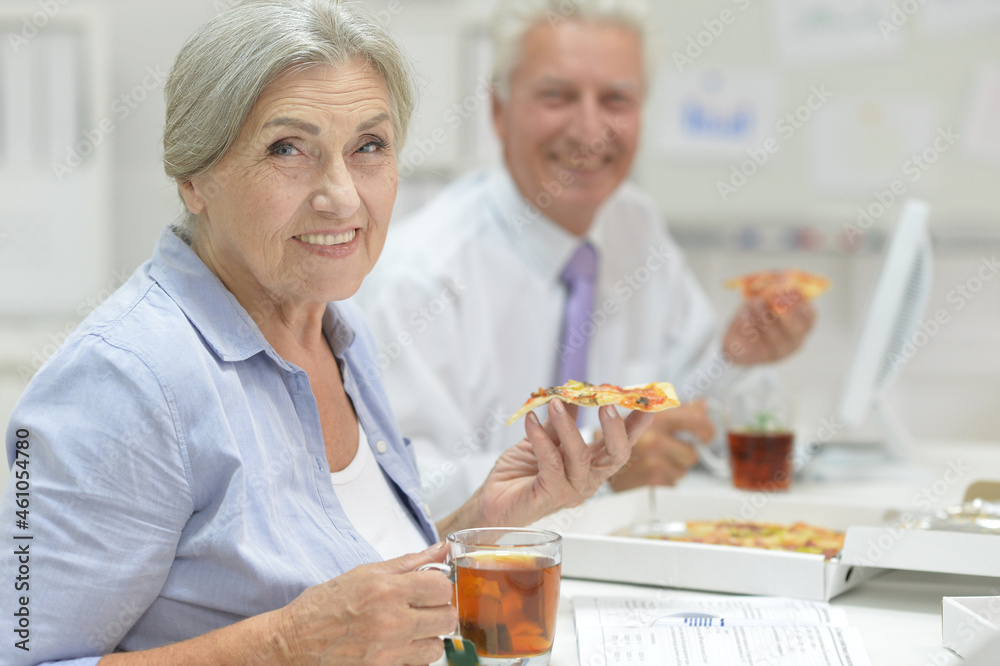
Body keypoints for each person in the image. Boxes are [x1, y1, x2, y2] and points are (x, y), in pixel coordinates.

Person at [0, 2, 652, 664]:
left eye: (368, 146)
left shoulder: (336, 327)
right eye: (287, 149)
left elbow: (358, 599)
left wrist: (483, 519)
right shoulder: (123, 381)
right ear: (193, 178)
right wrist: (287, 644)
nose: (340, 196)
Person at [358, 0, 816, 517]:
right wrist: (600, 469)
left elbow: (682, 408)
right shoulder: (419, 277)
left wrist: (737, 358)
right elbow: (408, 489)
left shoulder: (635, 226)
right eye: (557, 96)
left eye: (616, 99)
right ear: (499, 111)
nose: (589, 130)